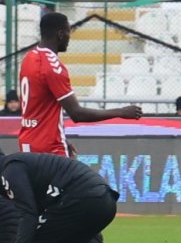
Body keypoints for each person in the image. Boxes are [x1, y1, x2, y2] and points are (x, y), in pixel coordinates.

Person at [18, 11, 142, 156]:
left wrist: (62, 137)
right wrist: (121, 112)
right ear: (60, 34)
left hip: (27, 142)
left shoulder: (29, 58)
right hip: (50, 148)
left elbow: (41, 106)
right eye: (68, 32)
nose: (69, 38)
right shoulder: (53, 66)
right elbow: (77, 113)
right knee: (80, 179)